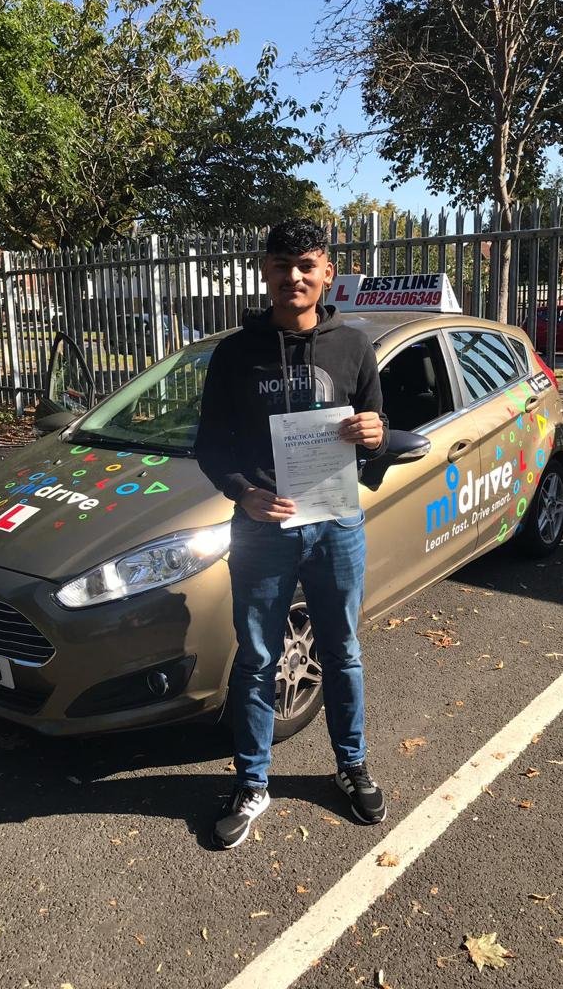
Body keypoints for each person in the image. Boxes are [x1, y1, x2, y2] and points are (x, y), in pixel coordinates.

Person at [195, 217, 389, 849]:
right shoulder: (235, 354)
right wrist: (241, 491)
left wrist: (376, 435)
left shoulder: (353, 347)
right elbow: (209, 446)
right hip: (263, 529)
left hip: (336, 523)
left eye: (306, 265)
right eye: (281, 266)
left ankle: (351, 765)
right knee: (256, 659)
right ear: (265, 272)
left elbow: (377, 429)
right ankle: (252, 783)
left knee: (343, 651)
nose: (294, 277)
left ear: (327, 271)